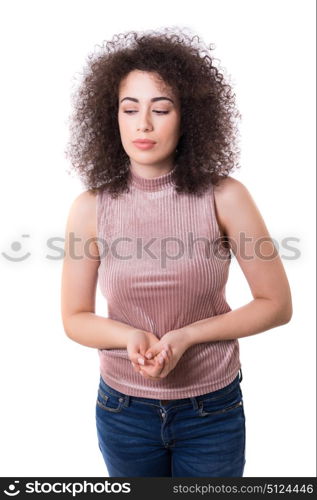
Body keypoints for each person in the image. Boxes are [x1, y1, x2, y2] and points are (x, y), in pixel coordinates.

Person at [61, 27, 292, 477]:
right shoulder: (90, 208)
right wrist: (129, 339)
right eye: (130, 109)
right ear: (114, 118)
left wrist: (186, 337)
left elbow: (277, 305)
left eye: (160, 109)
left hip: (211, 411)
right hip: (123, 409)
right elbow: (74, 317)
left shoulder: (226, 196)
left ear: (189, 117)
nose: (143, 124)